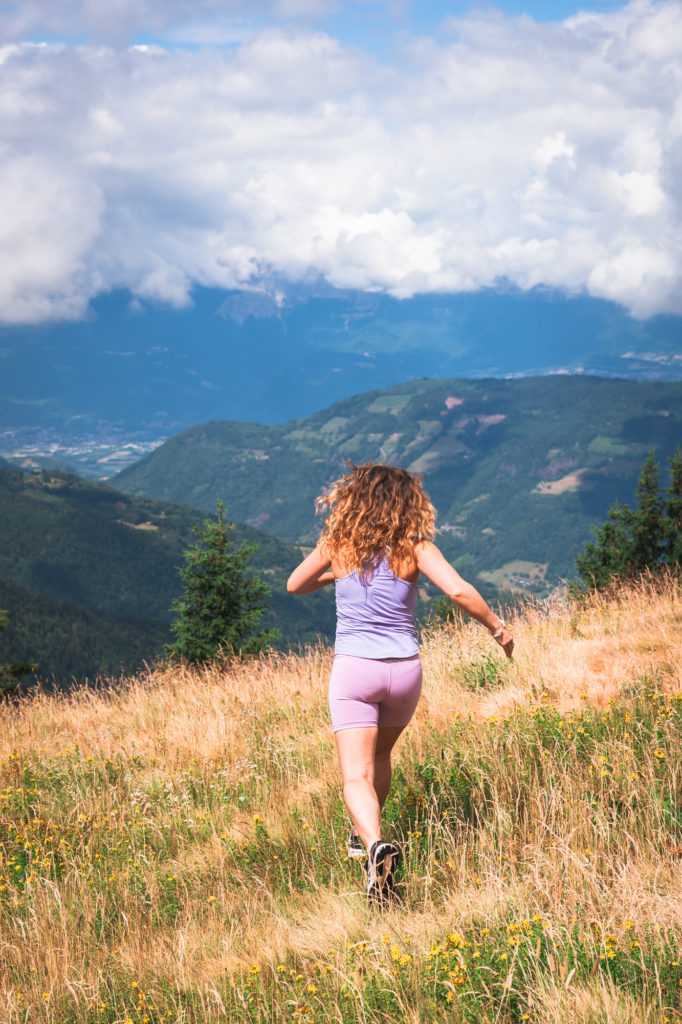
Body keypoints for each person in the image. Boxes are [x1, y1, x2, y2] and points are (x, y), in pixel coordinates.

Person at [286, 462, 514, 902]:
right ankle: (364, 835)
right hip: (404, 671)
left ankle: (372, 844)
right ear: (406, 502)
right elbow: (459, 591)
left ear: (353, 499)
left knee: (356, 774)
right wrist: (498, 629)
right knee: (383, 754)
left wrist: (338, 572)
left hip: (356, 669)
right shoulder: (416, 546)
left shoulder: (338, 543)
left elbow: (296, 584)